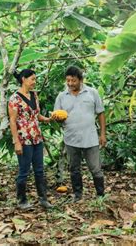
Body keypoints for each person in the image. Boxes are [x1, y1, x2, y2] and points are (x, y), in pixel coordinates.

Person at [54, 65, 106, 201]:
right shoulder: (61, 96)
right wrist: (57, 119)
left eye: (73, 81)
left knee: (95, 168)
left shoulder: (92, 93)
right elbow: (57, 118)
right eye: (68, 81)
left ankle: (100, 195)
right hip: (71, 138)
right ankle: (78, 195)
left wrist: (102, 134)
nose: (70, 84)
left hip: (90, 138)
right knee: (74, 168)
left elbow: (100, 113)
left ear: (80, 80)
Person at [8, 69, 53, 209]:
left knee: (39, 169)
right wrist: (16, 142)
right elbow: (12, 120)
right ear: (23, 79)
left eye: (35, 79)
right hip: (24, 139)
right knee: (24, 171)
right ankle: (21, 200)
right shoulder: (14, 98)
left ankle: (43, 199)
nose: (34, 82)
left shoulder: (34, 95)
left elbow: (37, 116)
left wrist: (49, 119)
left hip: (36, 138)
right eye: (32, 79)